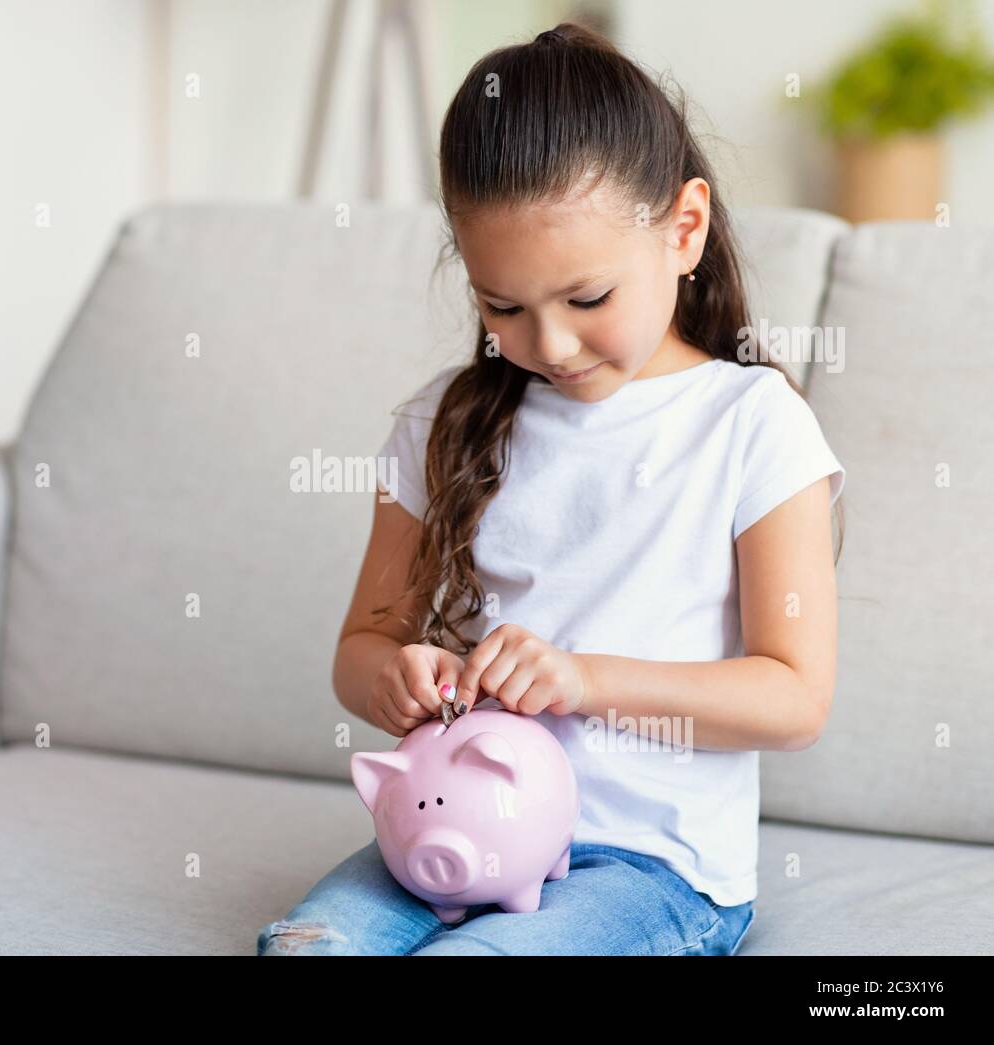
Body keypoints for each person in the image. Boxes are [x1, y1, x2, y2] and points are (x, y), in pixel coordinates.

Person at [258, 20, 844, 956]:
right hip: (458, 828)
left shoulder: (751, 425)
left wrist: (582, 680)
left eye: (587, 300)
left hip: (654, 865)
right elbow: (360, 649)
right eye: (504, 307)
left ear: (683, 229)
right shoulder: (440, 424)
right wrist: (400, 678)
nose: (551, 345)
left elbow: (794, 698)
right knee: (306, 946)